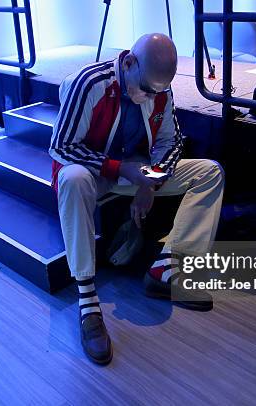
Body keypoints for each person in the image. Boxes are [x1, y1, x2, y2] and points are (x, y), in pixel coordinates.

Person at [49, 33, 225, 364]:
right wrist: (120, 169)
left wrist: (150, 184)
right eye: (145, 88)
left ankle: (166, 269)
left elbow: (171, 143)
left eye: (156, 91)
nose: (149, 97)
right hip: (95, 172)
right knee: (71, 178)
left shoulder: (160, 90)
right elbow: (61, 147)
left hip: (136, 172)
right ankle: (87, 299)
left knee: (209, 172)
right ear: (128, 61)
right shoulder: (90, 83)